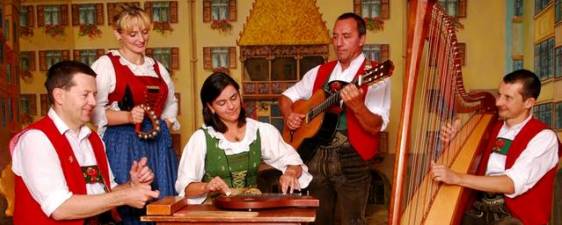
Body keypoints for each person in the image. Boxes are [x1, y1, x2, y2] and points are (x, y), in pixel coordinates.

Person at [9, 61, 160, 225]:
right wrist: (124, 196)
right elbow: (59, 208)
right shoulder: (36, 140)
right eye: (85, 94)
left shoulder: (93, 139)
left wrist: (132, 185)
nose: (93, 102)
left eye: (94, 94)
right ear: (59, 95)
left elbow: (105, 191)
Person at [279, 12, 391, 225]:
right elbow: (285, 97)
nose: (339, 43)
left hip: (352, 158)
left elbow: (376, 126)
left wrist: (357, 107)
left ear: (362, 39)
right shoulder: (320, 71)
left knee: (352, 221)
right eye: (335, 36)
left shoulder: (375, 74)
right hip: (314, 155)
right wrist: (289, 115)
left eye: (346, 36)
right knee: (316, 221)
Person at [431, 69, 561, 225]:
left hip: (515, 217)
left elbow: (511, 183)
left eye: (508, 98)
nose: (498, 102)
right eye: (499, 95)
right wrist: (455, 141)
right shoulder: (490, 127)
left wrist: (456, 177)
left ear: (529, 103)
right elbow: (473, 162)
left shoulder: (544, 138)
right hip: (480, 209)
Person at [91, 5, 179, 225]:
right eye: (133, 34)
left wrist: (164, 123)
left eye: (145, 32)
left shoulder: (157, 67)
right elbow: (93, 110)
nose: (141, 39)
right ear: (117, 34)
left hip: (158, 144)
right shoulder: (106, 65)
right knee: (130, 207)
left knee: (164, 201)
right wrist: (129, 117)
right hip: (123, 143)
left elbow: (171, 103)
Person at [175, 72, 312, 204]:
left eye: (234, 97)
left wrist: (290, 172)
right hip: (213, 210)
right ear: (210, 107)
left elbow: (293, 162)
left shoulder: (260, 130)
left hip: (250, 207)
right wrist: (206, 186)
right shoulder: (201, 138)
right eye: (221, 103)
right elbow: (186, 187)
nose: (231, 106)